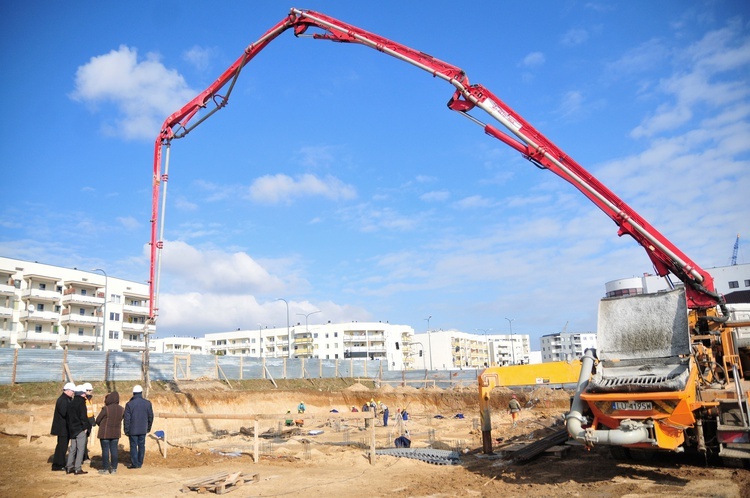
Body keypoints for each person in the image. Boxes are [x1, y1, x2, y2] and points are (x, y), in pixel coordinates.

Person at [123, 385, 153, 469]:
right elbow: (150, 416)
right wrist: (148, 427)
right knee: (141, 446)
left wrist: (126, 430)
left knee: (133, 446)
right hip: (143, 429)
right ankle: (140, 462)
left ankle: (134, 463)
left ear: (133, 393)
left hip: (132, 430)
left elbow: (127, 419)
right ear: (141, 393)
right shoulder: (147, 403)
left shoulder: (129, 404)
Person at [95, 391, 125, 474]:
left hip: (104, 433)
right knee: (114, 450)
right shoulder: (122, 409)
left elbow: (98, 420)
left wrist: (101, 424)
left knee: (105, 451)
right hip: (115, 434)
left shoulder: (106, 408)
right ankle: (114, 469)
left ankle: (105, 469)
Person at [66, 385, 91, 475]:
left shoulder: (71, 403)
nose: (85, 395)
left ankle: (69, 467)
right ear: (82, 394)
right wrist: (85, 428)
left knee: (72, 448)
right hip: (80, 429)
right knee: (80, 449)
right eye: (84, 393)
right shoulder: (81, 403)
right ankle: (77, 468)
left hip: (72, 429)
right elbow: (83, 417)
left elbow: (68, 417)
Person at [50, 382, 75, 471]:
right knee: (62, 446)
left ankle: (60, 463)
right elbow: (65, 413)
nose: (73, 393)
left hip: (64, 428)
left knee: (62, 446)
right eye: (72, 391)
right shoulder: (63, 400)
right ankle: (58, 464)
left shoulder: (65, 399)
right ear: (68, 390)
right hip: (62, 428)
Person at [82, 382, 95, 462]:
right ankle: (84, 457)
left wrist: (92, 420)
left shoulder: (90, 400)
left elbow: (90, 411)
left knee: (85, 441)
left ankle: (85, 456)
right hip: (85, 422)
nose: (90, 392)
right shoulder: (83, 400)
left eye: (91, 390)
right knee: (83, 441)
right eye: (88, 390)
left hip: (89, 422)